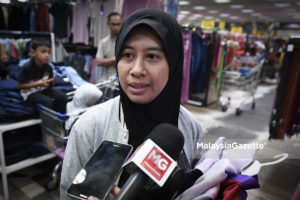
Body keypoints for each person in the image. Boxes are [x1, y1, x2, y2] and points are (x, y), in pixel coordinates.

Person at [60, 8, 204, 200]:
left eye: (152, 56)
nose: (136, 70)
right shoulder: (89, 127)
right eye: (128, 55)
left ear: (174, 63)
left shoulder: (191, 127)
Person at [17, 40, 67, 113]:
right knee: (47, 101)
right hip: (30, 93)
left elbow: (47, 83)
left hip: (43, 90)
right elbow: (19, 86)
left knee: (62, 96)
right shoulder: (26, 67)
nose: (47, 55)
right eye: (43, 52)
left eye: (49, 52)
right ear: (33, 52)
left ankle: (58, 119)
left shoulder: (48, 67)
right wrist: (37, 84)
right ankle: (50, 122)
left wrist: (52, 82)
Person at [95, 11, 122, 83]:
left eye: (118, 24)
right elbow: (98, 62)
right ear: (108, 24)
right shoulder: (103, 42)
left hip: (120, 82)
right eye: (113, 24)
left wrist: (106, 61)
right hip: (104, 81)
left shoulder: (125, 42)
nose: (116, 27)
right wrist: (114, 59)